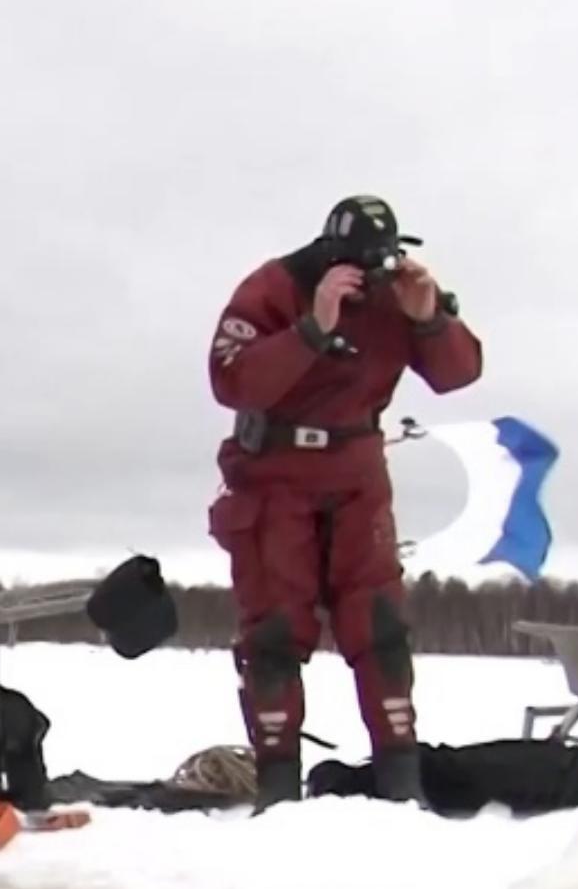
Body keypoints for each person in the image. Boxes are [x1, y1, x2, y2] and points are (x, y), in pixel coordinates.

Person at [205, 195, 484, 809]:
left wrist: (430, 318)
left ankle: (399, 787)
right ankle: (277, 793)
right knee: (275, 629)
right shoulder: (277, 285)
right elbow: (231, 379)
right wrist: (313, 328)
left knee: (380, 626)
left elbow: (458, 373)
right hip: (275, 474)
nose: (373, 274)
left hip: (358, 470)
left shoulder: (394, 294)